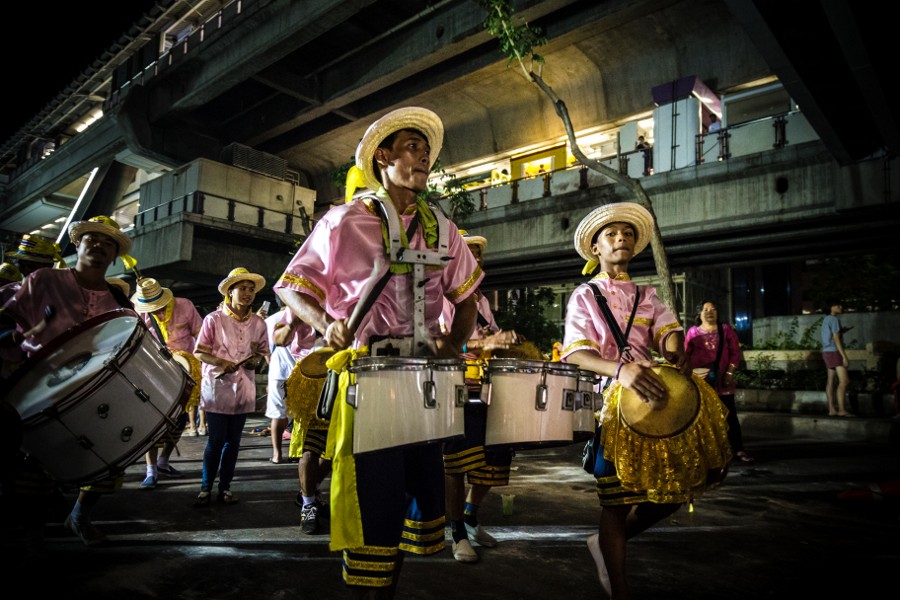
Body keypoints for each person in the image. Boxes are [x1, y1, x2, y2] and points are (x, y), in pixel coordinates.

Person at [274, 106, 482, 598]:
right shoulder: (343, 220)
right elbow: (290, 287)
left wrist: (454, 343)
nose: (424, 157)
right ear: (383, 158)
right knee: (371, 503)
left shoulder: (443, 228)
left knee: (412, 501)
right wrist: (326, 323)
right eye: (413, 147)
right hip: (366, 379)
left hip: (423, 384)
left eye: (427, 151)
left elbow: (466, 297)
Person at [560, 202, 730, 599]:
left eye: (628, 234)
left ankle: (601, 544)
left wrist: (674, 350)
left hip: (655, 396)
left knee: (680, 487)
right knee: (616, 503)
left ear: (635, 247)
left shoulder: (646, 294)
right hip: (612, 403)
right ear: (596, 249)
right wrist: (621, 371)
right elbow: (575, 352)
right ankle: (619, 589)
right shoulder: (585, 296)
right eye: (612, 234)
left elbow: (667, 329)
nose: (622, 238)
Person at [1, 215, 138, 546]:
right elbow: (6, 320)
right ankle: (32, 543)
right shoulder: (45, 280)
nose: (99, 246)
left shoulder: (118, 301)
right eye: (92, 239)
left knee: (109, 458)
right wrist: (13, 342)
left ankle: (79, 516)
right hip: (36, 389)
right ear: (78, 244)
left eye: (108, 243)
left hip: (92, 390)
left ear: (115, 255)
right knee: (32, 475)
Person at [440, 230, 522, 563]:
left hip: (486, 386)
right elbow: (440, 343)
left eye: (479, 255)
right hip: (454, 384)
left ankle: (472, 517)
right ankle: (456, 530)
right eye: (469, 253)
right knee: (457, 462)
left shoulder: (482, 300)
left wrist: (502, 341)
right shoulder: (441, 297)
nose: (476, 260)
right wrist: (482, 345)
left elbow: (487, 338)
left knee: (496, 456)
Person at [192, 267, 270, 506]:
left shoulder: (259, 323)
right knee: (215, 440)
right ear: (230, 292)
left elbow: (260, 356)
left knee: (233, 442)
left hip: (244, 388)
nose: (248, 293)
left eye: (251, 289)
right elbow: (199, 352)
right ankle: (206, 488)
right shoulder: (213, 319)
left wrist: (255, 360)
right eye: (242, 289)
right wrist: (222, 363)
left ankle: (225, 487)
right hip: (217, 390)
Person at [131, 277, 204, 488]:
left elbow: (201, 336)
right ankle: (150, 471)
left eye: (159, 307)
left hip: (186, 371)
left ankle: (163, 462)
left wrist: (197, 364)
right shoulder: (140, 312)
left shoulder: (185, 305)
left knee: (180, 420)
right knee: (153, 421)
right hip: (155, 371)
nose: (156, 312)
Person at [684, 300, 753, 462]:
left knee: (729, 415)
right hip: (701, 382)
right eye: (706, 309)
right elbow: (686, 355)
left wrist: (729, 373)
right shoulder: (693, 332)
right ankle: (706, 452)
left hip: (723, 381)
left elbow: (735, 353)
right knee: (702, 417)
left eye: (713, 309)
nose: (709, 312)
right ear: (699, 314)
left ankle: (738, 449)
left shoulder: (726, 330)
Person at [821, 298, 854, 417]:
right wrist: (844, 356)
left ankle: (832, 410)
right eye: (837, 305)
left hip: (826, 351)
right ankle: (842, 410)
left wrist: (841, 331)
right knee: (844, 381)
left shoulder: (826, 319)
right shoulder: (834, 319)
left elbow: (830, 336)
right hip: (834, 352)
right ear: (831, 307)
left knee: (830, 381)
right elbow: (836, 339)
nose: (840, 306)